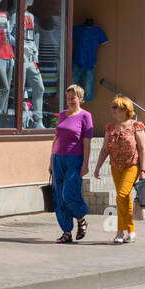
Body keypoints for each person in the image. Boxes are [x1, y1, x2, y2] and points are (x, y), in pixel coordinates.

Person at [94, 96, 145, 244]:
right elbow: (104, 149)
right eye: (113, 107)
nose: (113, 110)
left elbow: (142, 149)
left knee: (122, 195)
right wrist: (97, 166)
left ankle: (120, 231)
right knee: (125, 199)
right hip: (115, 166)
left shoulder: (136, 126)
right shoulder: (110, 127)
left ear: (125, 110)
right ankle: (130, 231)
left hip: (132, 165)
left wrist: (143, 170)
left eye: (116, 108)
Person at [49, 84, 93, 244]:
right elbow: (56, 138)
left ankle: (81, 219)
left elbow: (87, 142)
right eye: (68, 98)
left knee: (69, 193)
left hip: (75, 159)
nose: (70, 101)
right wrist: (50, 160)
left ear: (80, 99)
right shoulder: (62, 115)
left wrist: (86, 164)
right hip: (57, 158)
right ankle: (66, 231)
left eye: (73, 98)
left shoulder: (85, 116)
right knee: (59, 196)